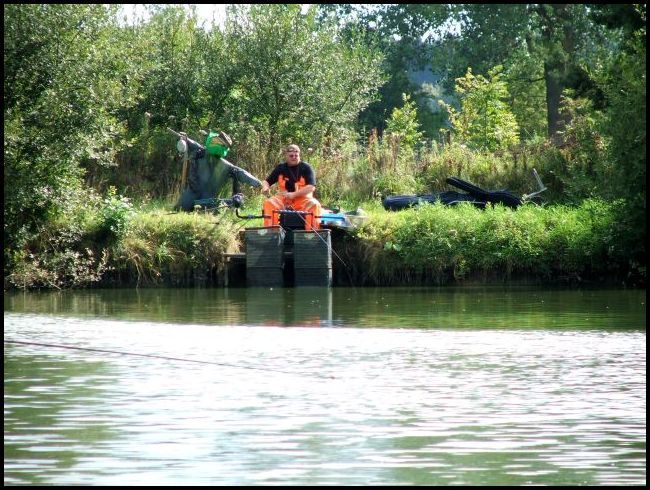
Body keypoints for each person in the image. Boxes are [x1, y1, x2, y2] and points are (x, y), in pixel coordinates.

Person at [176, 129, 262, 211]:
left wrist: (258, 183)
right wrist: (184, 138)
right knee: (181, 209)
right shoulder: (201, 152)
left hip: (207, 200)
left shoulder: (225, 165)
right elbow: (189, 142)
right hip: (192, 192)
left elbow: (241, 173)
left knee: (204, 209)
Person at [261, 144, 322, 230]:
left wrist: (294, 194)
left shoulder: (306, 168)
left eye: (296, 155)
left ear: (299, 155)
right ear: (286, 155)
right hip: (284, 199)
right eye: (291, 156)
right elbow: (266, 181)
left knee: (315, 205)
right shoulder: (280, 168)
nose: (294, 157)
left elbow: (311, 187)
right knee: (269, 203)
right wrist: (265, 188)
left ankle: (311, 235)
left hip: (303, 200)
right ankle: (272, 233)